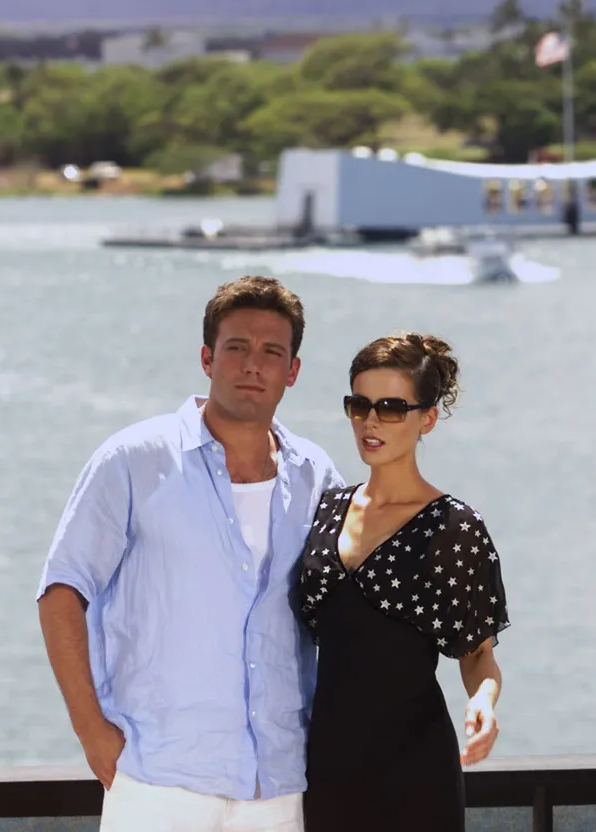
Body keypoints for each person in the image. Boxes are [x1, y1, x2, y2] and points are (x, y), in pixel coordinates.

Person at [35, 275, 343, 832]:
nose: (254, 365)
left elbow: (349, 611)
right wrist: (91, 731)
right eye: (237, 348)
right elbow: (61, 591)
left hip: (277, 787)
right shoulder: (132, 459)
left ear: (293, 371)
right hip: (158, 781)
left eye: (272, 352)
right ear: (207, 358)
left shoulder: (316, 475)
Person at [294, 332, 510, 832]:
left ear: (427, 418)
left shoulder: (454, 527)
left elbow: (477, 654)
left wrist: (482, 702)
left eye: (392, 408)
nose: (371, 422)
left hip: (414, 774)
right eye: (359, 404)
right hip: (324, 767)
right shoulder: (327, 509)